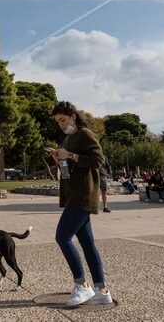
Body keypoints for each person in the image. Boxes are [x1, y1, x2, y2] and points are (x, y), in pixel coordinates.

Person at [48, 101, 113, 307]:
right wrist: (59, 158)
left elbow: (98, 160)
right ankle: (102, 291)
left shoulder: (85, 134)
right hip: (74, 194)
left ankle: (83, 285)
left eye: (63, 119)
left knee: (62, 237)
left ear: (73, 116)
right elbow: (70, 167)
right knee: (87, 244)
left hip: (82, 195)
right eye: (57, 121)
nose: (60, 124)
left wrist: (72, 155)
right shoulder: (69, 138)